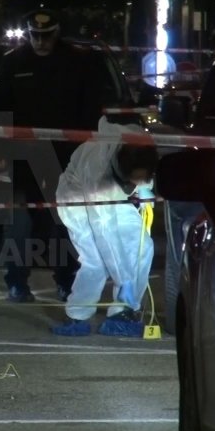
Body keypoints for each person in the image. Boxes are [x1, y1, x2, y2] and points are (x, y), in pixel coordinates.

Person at [0, 8, 104, 303]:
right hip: (23, 157)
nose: (40, 41)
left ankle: (66, 280)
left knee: (64, 222)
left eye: (45, 35)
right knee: (20, 223)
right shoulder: (14, 63)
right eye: (34, 35)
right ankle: (17, 281)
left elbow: (90, 110)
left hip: (65, 157)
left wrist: (87, 152)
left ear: (56, 32)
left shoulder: (77, 63)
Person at [50, 117, 158, 337]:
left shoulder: (139, 143)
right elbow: (106, 233)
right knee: (96, 261)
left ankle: (122, 314)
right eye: (134, 180)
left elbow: (144, 167)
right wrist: (124, 280)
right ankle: (77, 316)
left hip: (114, 193)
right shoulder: (97, 166)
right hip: (77, 198)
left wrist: (145, 188)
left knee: (142, 248)